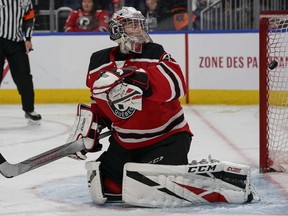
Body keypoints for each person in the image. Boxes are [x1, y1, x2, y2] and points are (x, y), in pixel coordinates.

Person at [67, 6, 259, 207]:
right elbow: (100, 105)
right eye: (131, 25)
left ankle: (209, 180)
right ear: (117, 30)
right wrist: (89, 129)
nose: (138, 30)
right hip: (125, 142)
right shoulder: (99, 61)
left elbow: (177, 85)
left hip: (167, 138)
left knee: (149, 185)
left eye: (139, 25)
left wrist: (142, 79)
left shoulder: (155, 52)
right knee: (108, 188)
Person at [0, 0, 42, 123]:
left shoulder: (25, 0)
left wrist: (28, 38)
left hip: (16, 41)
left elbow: (29, 18)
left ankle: (29, 109)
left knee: (24, 77)